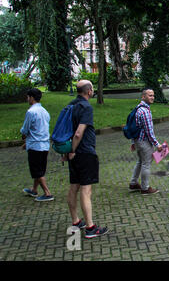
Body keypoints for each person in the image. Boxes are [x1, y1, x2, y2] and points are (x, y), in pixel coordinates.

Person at [64, 80, 108, 238]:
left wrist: (68, 151)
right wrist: (74, 150)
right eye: (93, 89)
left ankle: (75, 220)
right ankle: (90, 227)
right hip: (83, 152)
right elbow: (78, 133)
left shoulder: (71, 105)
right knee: (86, 190)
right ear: (89, 91)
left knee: (73, 187)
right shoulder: (86, 107)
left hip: (72, 153)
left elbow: (67, 130)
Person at [20, 88, 54, 202]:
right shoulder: (45, 111)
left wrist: (24, 138)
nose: (27, 99)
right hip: (44, 144)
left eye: (28, 97)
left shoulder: (31, 112)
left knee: (37, 171)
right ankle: (34, 189)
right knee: (39, 168)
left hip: (35, 146)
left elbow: (25, 129)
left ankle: (47, 193)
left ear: (32, 98)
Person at [129, 89, 163, 195]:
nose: (152, 97)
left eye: (153, 95)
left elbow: (134, 126)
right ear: (143, 97)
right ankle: (145, 188)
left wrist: (133, 142)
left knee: (140, 161)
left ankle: (133, 183)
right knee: (146, 164)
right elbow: (149, 131)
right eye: (149, 95)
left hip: (138, 140)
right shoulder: (145, 111)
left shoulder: (138, 108)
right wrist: (157, 144)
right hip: (144, 142)